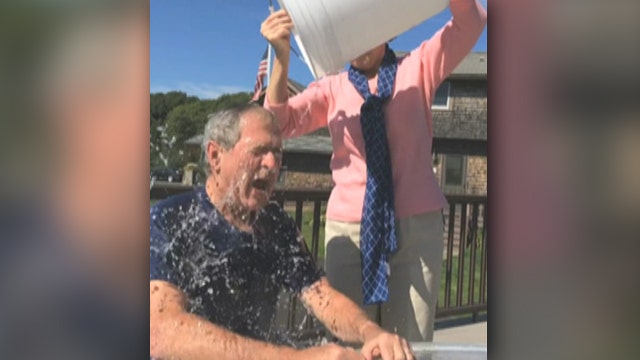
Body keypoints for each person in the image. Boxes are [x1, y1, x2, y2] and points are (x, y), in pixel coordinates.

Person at [260, 0, 487, 341]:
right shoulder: (332, 87)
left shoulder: (420, 66)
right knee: (349, 338)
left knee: (410, 340)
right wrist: (281, 56)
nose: (356, 41)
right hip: (349, 230)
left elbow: (472, 21)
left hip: (416, 227)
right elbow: (277, 123)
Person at [149, 103, 415, 360]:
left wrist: (370, 332)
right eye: (260, 150)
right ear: (216, 156)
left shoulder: (275, 225)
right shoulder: (172, 220)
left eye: (277, 153)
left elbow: (321, 296)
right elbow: (161, 331)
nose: (272, 164)